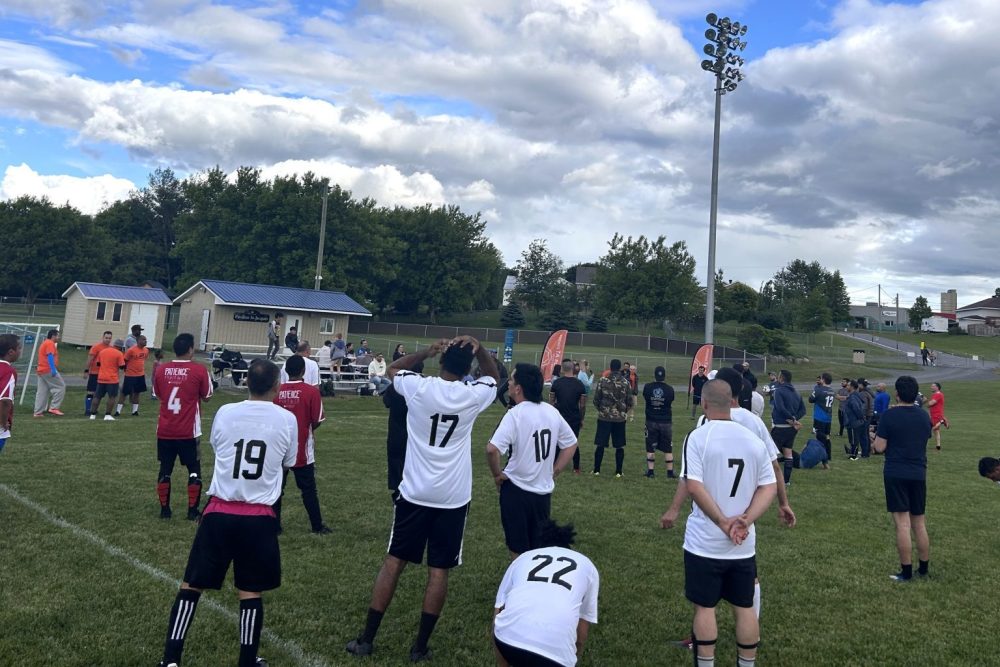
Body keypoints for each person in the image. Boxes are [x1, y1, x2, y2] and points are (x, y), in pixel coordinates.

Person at [346, 336, 499, 661]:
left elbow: (393, 368)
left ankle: (367, 639)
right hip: (453, 496)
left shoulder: (419, 387)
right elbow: (494, 378)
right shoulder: (472, 395)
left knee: (394, 562)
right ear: (467, 369)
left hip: (415, 491)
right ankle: (419, 647)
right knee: (439, 570)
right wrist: (481, 349)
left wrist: (426, 352)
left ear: (442, 362)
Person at [156, 359, 297, 667]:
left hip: (219, 511)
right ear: (277, 386)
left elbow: (219, 447)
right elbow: (288, 462)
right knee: (250, 591)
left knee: (192, 584)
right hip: (259, 516)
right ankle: (247, 660)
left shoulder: (225, 412)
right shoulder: (287, 419)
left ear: (246, 382)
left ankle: (171, 659)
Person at [661, 367, 795, 651]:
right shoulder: (754, 423)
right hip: (745, 523)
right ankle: (750, 636)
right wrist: (782, 503)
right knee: (745, 591)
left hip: (709, 526)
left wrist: (675, 508)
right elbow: (773, 470)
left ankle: (701, 641)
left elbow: (691, 478)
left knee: (704, 601)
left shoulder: (704, 425)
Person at [677, 379, 777, 667]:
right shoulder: (753, 439)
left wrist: (723, 522)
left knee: (704, 608)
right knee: (744, 607)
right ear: (733, 402)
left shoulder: (698, 437)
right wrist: (747, 519)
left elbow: (693, 485)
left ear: (704, 403)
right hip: (742, 544)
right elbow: (768, 486)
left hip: (705, 542)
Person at [488, 363, 577, 557]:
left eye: (511, 379)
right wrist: (555, 470)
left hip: (516, 490)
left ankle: (522, 576)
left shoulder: (515, 414)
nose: (508, 383)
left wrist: (497, 475)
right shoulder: (551, 411)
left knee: (517, 549)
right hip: (542, 493)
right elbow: (571, 444)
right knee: (537, 547)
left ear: (518, 388)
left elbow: (492, 449)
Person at [492, 520, 599, 667]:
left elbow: (498, 612)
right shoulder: (588, 566)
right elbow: (582, 629)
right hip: (556, 657)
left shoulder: (523, 558)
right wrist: (575, 656)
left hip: (506, 643)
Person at [873, 375, 932, 581]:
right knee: (919, 523)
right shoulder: (924, 416)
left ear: (897, 393)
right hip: (918, 472)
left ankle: (906, 572)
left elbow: (879, 447)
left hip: (896, 472)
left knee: (903, 524)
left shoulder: (889, 416)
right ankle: (923, 569)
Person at [152, 333, 214, 520]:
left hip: (165, 429)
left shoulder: (161, 370)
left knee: (165, 469)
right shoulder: (199, 370)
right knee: (194, 470)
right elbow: (207, 396)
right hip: (189, 431)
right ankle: (192, 511)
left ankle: (165, 510)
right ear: (190, 349)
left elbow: (158, 394)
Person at [273, 354, 330, 535]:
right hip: (302, 448)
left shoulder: (277, 391)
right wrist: (307, 428)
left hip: (279, 447)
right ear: (303, 371)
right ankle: (317, 526)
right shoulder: (311, 392)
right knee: (308, 490)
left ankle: (275, 526)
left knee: (276, 489)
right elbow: (317, 419)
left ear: (286, 371)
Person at [383, 361, 424, 493]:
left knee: (396, 460)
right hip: (418, 433)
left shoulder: (397, 386)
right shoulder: (424, 387)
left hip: (397, 430)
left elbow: (387, 402)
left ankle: (397, 489)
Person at [591, 359, 634, 478]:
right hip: (619, 419)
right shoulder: (625, 382)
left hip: (604, 418)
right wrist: (622, 412)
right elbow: (630, 401)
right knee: (619, 445)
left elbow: (596, 399)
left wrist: (602, 410)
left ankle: (596, 470)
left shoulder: (603, 381)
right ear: (620, 368)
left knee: (600, 444)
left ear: (610, 367)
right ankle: (619, 471)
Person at [549, 360, 587, 474]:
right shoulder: (579, 384)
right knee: (573, 441)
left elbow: (551, 401)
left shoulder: (556, 383)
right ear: (573, 369)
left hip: (559, 417)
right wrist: (582, 418)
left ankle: (553, 465)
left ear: (562, 369)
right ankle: (576, 467)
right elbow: (582, 405)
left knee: (556, 441)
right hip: (574, 417)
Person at [770, 369, 805, 486]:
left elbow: (780, 408)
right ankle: (786, 481)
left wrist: (791, 418)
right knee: (788, 452)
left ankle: (768, 479)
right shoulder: (797, 392)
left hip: (780, 427)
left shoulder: (779, 391)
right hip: (791, 429)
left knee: (770, 454)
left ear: (781, 378)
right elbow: (803, 410)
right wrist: (795, 419)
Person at [642, 366, 676, 478]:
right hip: (665, 421)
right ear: (664, 376)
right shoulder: (670, 389)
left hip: (651, 420)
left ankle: (651, 471)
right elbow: (671, 400)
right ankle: (670, 472)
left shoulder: (647, 387)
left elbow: (646, 398)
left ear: (655, 375)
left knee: (650, 447)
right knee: (668, 448)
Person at [89, 338, 125, 421]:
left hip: (101, 378)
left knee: (97, 396)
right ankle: (107, 415)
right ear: (120, 347)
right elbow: (122, 366)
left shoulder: (103, 351)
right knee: (112, 397)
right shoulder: (119, 353)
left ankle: (92, 415)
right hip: (112, 379)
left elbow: (98, 364)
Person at [33, 328, 65, 417]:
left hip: (41, 370)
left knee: (42, 391)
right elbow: (50, 356)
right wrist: (53, 369)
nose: (59, 337)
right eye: (58, 336)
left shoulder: (45, 343)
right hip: (48, 370)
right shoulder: (50, 344)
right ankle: (54, 408)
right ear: (53, 336)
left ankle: (38, 412)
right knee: (61, 387)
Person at [116, 334, 150, 416]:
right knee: (124, 392)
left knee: (137, 392)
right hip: (130, 375)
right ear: (138, 341)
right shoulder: (131, 350)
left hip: (140, 375)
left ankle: (135, 411)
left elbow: (143, 359)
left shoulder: (146, 350)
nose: (145, 341)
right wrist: (126, 369)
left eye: (146, 340)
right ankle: (118, 411)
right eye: (143, 340)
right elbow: (125, 360)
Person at [0, 334, 22, 454]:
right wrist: (3, 423)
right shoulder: (8, 371)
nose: (20, 351)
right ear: (11, 352)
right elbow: (5, 400)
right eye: (19, 348)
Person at [808, 373, 835, 467]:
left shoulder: (818, 390)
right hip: (828, 418)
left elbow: (810, 399)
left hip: (820, 417)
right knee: (827, 437)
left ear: (823, 380)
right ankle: (828, 455)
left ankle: (824, 461)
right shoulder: (832, 391)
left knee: (820, 438)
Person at [83, 330, 113, 415]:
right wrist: (86, 370)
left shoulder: (111, 348)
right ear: (103, 337)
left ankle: (94, 409)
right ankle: (88, 410)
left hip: (104, 374)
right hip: (95, 373)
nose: (108, 339)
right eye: (106, 338)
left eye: (109, 338)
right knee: (91, 392)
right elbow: (90, 359)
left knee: (99, 394)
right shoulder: (96, 347)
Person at [845, 380, 869, 460]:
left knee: (854, 439)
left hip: (854, 421)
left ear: (852, 387)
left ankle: (853, 455)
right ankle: (865, 454)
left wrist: (860, 417)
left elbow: (856, 408)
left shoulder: (852, 397)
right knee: (863, 437)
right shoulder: (858, 395)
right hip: (861, 421)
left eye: (848, 385)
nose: (847, 387)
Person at [927, 382, 947, 451]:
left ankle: (942, 421)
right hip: (935, 414)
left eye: (933, 386)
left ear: (937, 387)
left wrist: (929, 403)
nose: (931, 387)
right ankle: (938, 446)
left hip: (936, 415)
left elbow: (931, 403)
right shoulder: (936, 394)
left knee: (931, 429)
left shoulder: (938, 394)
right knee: (936, 431)